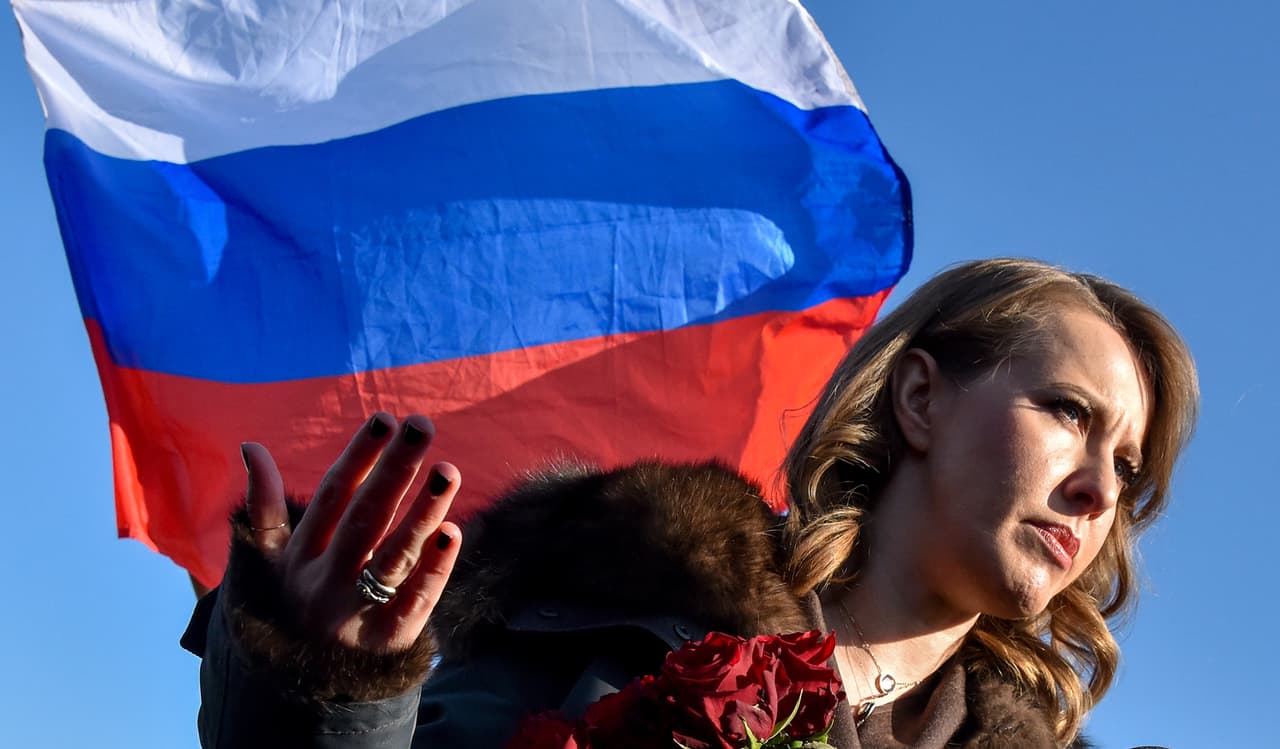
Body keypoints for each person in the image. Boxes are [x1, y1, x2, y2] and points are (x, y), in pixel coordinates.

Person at [183, 258, 1198, 748]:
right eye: (1067, 411)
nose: (1097, 487)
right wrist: (330, 689)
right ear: (920, 396)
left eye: (1126, 465)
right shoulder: (613, 601)